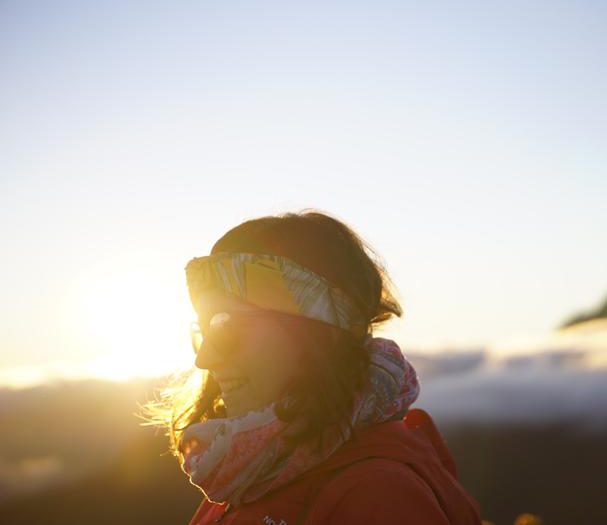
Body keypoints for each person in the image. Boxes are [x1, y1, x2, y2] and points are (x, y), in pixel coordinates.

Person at [144, 209, 483, 524]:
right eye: (202, 331)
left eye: (224, 326)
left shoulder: (379, 493)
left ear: (316, 332)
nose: (205, 359)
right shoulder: (250, 467)